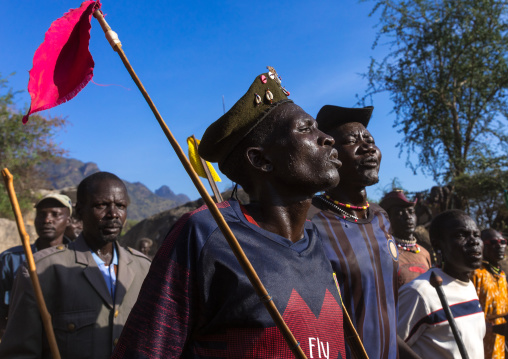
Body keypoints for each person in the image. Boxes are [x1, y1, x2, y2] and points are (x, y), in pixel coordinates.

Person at [112, 67, 347, 358]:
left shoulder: (317, 240)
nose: (327, 138)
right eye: (305, 129)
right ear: (261, 160)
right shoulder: (206, 233)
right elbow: (146, 350)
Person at [0, 172, 151, 359]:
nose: (113, 214)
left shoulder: (145, 269)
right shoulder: (43, 270)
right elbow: (19, 352)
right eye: (101, 205)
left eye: (120, 206)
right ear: (79, 212)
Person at [308, 105, 400, 358]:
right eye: (352, 141)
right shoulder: (311, 219)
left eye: (370, 140)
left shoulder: (381, 217)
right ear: (330, 155)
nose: (368, 147)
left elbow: (384, 310)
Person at [398, 210, 485, 359]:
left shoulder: (468, 286)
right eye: (460, 235)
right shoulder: (420, 292)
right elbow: (388, 345)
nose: (474, 241)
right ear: (438, 245)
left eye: (476, 235)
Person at [0, 193, 72, 336]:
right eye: (41, 214)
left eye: (55, 214)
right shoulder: (11, 259)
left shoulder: (80, 259)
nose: (47, 220)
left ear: (68, 220)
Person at [380, 190, 431, 288]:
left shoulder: (424, 253)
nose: (408, 216)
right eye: (399, 213)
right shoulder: (385, 253)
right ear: (388, 220)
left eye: (411, 212)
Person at [472, 228, 508, 359]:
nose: (500, 245)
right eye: (493, 242)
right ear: (482, 246)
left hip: (500, 342)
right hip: (481, 341)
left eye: (503, 241)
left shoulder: (502, 275)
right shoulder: (476, 273)